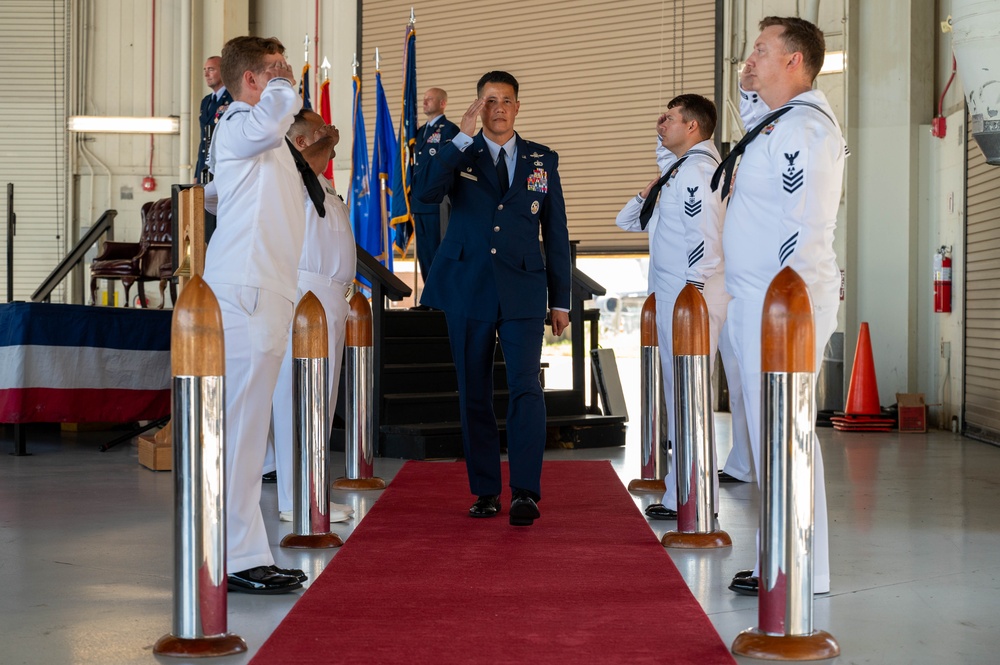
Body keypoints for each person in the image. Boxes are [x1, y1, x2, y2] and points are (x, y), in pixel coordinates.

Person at [716, 16, 844, 596]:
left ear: (795, 61)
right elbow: (753, 118)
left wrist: (781, 302)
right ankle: (779, 555)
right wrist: (747, 82)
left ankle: (803, 569)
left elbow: (804, 224)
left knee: (787, 434)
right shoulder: (779, 123)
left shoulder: (805, 130)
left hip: (782, 305)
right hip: (754, 300)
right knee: (769, 437)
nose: (751, 58)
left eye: (761, 50)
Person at [416, 71, 571, 526]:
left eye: (506, 100)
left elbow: (555, 231)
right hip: (468, 285)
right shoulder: (461, 151)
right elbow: (425, 192)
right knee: (475, 392)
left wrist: (559, 299)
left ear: (518, 107)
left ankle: (525, 491)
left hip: (524, 287)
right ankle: (485, 490)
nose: (498, 108)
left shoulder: (542, 159)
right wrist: (459, 141)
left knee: (526, 387)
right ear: (477, 107)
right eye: (489, 100)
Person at [203, 35, 320, 595]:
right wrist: (279, 88)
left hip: (265, 289)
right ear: (252, 80)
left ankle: (242, 552)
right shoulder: (239, 122)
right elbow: (277, 113)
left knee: (247, 433)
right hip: (247, 293)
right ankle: (236, 557)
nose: (288, 79)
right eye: (276, 71)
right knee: (243, 431)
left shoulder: (259, 133)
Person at [614, 95, 726, 520]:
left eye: (672, 119)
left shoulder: (696, 172)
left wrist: (693, 290)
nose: (662, 125)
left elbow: (705, 236)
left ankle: (697, 496)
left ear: (693, 127)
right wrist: (650, 186)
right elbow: (627, 220)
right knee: (681, 397)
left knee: (689, 396)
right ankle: (685, 489)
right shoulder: (677, 171)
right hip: (676, 296)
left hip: (689, 297)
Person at [270, 109, 356, 525]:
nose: (331, 137)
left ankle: (314, 490)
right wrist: (328, 138)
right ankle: (294, 497)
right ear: (301, 142)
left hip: (334, 298)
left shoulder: (324, 185)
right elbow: (298, 159)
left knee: (323, 400)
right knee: (299, 400)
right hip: (306, 297)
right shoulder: (291, 173)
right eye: (321, 132)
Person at [410, 87, 459, 285]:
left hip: (438, 204)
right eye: (424, 99)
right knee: (424, 253)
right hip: (420, 203)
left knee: (438, 251)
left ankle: (441, 299)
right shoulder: (421, 132)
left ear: (442, 103)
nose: (425, 102)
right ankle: (429, 299)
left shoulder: (449, 130)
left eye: (430, 99)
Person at [195, 56, 233, 184]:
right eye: (205, 70)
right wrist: (198, 173)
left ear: (224, 71)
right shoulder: (206, 101)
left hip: (223, 166)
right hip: (205, 169)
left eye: (211, 69)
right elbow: (203, 141)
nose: (206, 74)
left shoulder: (233, 98)